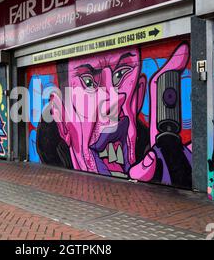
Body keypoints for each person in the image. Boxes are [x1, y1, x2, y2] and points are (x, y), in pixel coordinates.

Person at [37, 42, 193, 188]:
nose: (113, 102)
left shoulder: (157, 159)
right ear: (62, 118)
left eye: (120, 75)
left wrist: (176, 169)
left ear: (138, 96)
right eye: (89, 82)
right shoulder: (58, 179)